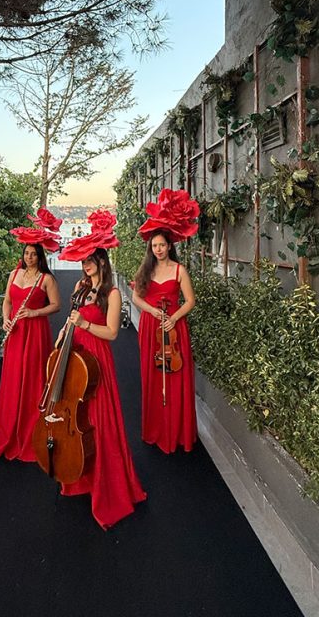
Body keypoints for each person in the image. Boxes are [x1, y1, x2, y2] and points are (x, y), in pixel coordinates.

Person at [54, 210, 146, 529]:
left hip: (97, 358)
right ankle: (80, 473)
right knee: (78, 417)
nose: (86, 265)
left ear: (102, 261)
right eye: (83, 261)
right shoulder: (80, 287)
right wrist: (64, 332)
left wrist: (85, 324)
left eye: (91, 260)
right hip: (76, 354)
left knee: (100, 419)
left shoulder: (112, 294)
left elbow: (112, 333)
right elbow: (72, 317)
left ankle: (108, 483)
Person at [0, 210, 62, 462]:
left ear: (40, 256)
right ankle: (10, 427)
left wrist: (33, 312)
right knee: (13, 377)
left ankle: (32, 430)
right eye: (26, 253)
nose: (29, 257)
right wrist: (5, 320)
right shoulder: (14, 274)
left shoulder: (46, 278)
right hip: (16, 333)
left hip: (35, 333)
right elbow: (7, 301)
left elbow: (57, 306)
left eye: (33, 254)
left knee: (32, 378)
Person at [132, 189, 200, 454]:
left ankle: (177, 432)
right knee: (152, 378)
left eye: (162, 245)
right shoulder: (146, 270)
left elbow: (190, 301)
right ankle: (156, 429)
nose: (158, 249)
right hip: (151, 327)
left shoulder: (179, 270)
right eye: (154, 246)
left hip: (174, 328)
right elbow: (137, 298)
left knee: (176, 379)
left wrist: (173, 318)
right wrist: (152, 310)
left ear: (170, 246)